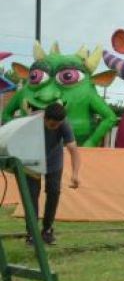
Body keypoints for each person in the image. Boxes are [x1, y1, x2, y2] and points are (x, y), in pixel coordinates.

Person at [25, 103, 82, 245]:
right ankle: (31, 233)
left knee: (54, 192)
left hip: (54, 162)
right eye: (51, 125)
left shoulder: (64, 125)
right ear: (44, 118)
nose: (54, 127)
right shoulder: (32, 121)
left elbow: (73, 150)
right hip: (33, 162)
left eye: (57, 125)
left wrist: (75, 174)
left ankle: (47, 230)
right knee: (31, 196)